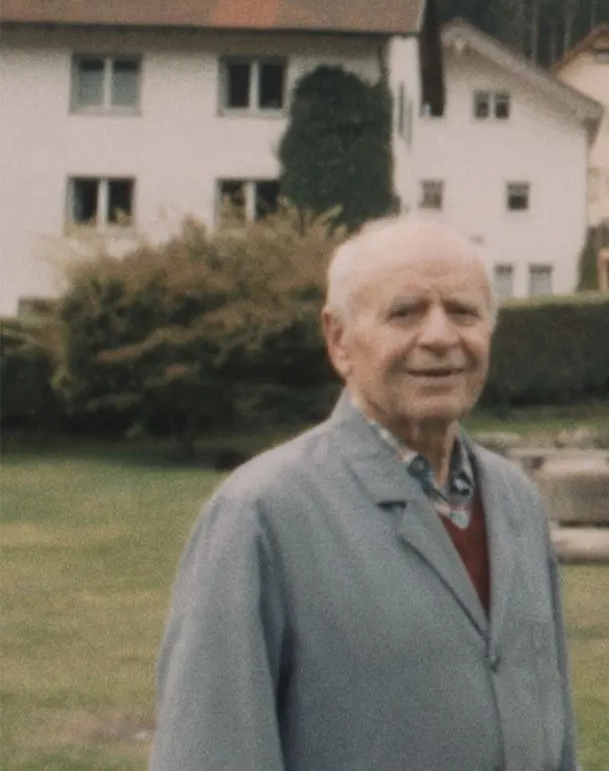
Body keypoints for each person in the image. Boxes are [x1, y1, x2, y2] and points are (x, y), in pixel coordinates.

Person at [149, 215, 580, 771]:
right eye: (405, 312)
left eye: (464, 312)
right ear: (339, 340)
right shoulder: (260, 515)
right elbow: (210, 752)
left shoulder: (515, 500)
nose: (441, 336)